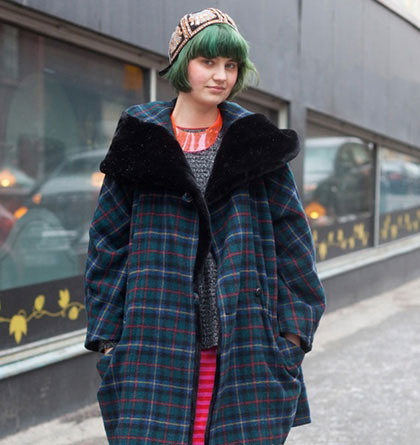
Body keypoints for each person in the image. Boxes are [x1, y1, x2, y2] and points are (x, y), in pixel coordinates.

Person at [84, 7, 326, 445]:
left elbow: (295, 248)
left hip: (247, 344)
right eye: (208, 61)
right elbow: (107, 245)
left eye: (231, 65)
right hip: (153, 343)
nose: (220, 75)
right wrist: (109, 341)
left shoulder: (255, 144)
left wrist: (292, 339)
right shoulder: (141, 140)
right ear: (181, 62)